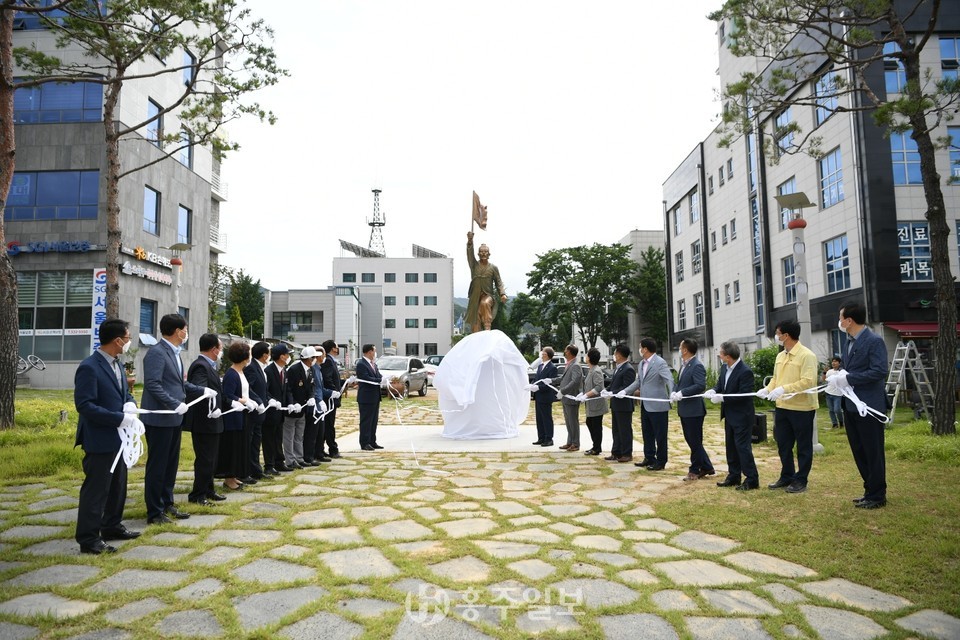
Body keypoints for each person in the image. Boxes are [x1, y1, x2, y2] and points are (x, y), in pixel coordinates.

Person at [73, 318, 141, 554]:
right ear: (118, 340)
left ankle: (112, 525)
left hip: (119, 438)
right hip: (100, 437)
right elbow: (85, 405)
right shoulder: (89, 367)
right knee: (97, 489)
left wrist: (130, 404)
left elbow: (124, 394)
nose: (130, 342)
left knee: (118, 485)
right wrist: (118, 418)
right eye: (128, 337)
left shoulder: (117, 364)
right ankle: (88, 538)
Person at [141, 313, 212, 524]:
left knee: (170, 465)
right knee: (158, 466)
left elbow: (179, 384)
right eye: (185, 330)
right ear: (177, 331)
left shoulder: (174, 352)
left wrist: (202, 390)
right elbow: (153, 385)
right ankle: (155, 511)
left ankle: (167, 503)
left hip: (174, 419)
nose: (187, 333)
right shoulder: (157, 352)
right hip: (160, 418)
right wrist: (174, 404)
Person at [834, 300, 889, 509]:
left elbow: (879, 371)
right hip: (850, 405)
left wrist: (849, 378)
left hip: (869, 406)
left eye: (840, 318)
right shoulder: (848, 341)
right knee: (859, 450)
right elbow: (850, 369)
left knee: (873, 451)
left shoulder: (873, 341)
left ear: (849, 320)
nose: (839, 321)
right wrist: (838, 376)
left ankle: (878, 494)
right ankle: (869, 489)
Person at [760, 319, 819, 494]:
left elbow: (808, 382)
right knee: (783, 444)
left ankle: (801, 480)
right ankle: (786, 475)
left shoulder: (807, 355)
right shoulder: (780, 356)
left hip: (802, 408)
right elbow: (775, 378)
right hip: (782, 407)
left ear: (786, 335)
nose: (776, 336)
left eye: (777, 333)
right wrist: (768, 389)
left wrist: (784, 389)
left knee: (803, 446)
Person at [707, 340, 759, 491]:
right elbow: (720, 385)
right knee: (731, 447)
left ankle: (752, 479)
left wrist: (723, 398)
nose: (719, 355)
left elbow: (744, 395)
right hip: (729, 415)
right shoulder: (724, 368)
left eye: (721, 353)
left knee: (742, 447)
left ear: (728, 356)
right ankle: (734, 475)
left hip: (742, 416)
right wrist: (714, 390)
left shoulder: (745, 371)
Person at [184, 334, 226, 506]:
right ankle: (198, 494)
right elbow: (198, 389)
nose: (221, 351)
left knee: (212, 458)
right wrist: (208, 396)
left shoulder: (210, 365)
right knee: (205, 459)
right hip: (204, 420)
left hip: (213, 419)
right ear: (214, 349)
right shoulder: (201, 366)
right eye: (220, 348)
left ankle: (209, 489)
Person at [624, 338, 673, 471]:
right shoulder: (641, 364)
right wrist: (625, 391)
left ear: (645, 349)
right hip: (645, 404)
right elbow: (639, 381)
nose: (639, 350)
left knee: (660, 435)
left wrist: (672, 393)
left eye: (640, 347)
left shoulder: (660, 362)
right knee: (647, 433)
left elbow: (669, 379)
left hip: (658, 405)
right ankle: (649, 457)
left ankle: (661, 460)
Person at [670, 338, 715, 481]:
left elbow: (700, 385)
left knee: (695, 441)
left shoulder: (696, 365)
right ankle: (707, 466)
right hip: (684, 409)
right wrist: (674, 391)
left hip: (694, 410)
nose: (679, 350)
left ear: (685, 350)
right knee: (691, 440)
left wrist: (683, 393)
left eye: (680, 347)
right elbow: (680, 383)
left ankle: (694, 470)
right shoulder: (684, 365)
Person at [219, 341, 258, 490]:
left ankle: (235, 476)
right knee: (233, 447)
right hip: (233, 417)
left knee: (240, 446)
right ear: (244, 357)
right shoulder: (231, 374)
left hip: (243, 415)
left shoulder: (241, 372)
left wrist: (250, 401)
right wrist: (244, 401)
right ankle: (229, 479)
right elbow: (228, 395)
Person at [466, 231, 507, 332]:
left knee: (485, 303)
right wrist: (470, 241)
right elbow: (470, 254)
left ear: (489, 254)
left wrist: (502, 294)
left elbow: (498, 282)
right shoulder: (474, 265)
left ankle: (487, 327)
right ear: (478, 254)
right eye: (481, 252)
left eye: (485, 252)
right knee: (475, 320)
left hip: (488, 295)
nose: (483, 253)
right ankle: (476, 335)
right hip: (475, 296)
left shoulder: (493, 268)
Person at [284, 346, 317, 468]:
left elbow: (311, 386)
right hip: (292, 408)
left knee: (299, 435)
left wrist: (311, 397)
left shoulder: (310, 369)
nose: (315, 360)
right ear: (309, 358)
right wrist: (292, 403)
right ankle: (290, 460)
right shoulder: (294, 369)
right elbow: (288, 389)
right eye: (313, 357)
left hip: (303, 408)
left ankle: (299, 457)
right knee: (289, 436)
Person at [603, 344, 637, 463]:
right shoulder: (618, 368)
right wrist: (607, 390)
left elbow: (626, 387)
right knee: (616, 430)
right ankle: (616, 452)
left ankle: (626, 453)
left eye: (615, 353)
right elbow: (613, 384)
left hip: (624, 405)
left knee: (624, 430)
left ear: (620, 355)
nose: (614, 356)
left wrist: (612, 392)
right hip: (616, 404)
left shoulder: (628, 369)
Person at [243, 341, 272, 479]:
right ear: (264, 355)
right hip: (253, 412)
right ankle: (249, 470)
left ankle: (256, 470)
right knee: (250, 442)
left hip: (261, 412)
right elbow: (248, 388)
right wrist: (258, 401)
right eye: (269, 353)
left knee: (256, 442)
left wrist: (269, 399)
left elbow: (263, 389)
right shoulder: (251, 368)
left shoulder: (260, 367)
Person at [262, 344, 290, 474]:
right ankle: (269, 465)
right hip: (271, 410)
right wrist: (271, 400)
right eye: (287, 354)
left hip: (281, 410)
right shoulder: (268, 371)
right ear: (281, 356)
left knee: (278, 437)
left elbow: (287, 390)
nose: (288, 357)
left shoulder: (284, 370)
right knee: (269, 439)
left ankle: (279, 462)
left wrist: (291, 403)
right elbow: (265, 391)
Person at [355, 343, 386, 451]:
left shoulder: (373, 364)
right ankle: (365, 442)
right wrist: (379, 380)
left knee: (373, 421)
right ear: (369, 352)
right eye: (374, 351)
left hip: (375, 397)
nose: (375, 353)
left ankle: (372, 441)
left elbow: (378, 375)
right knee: (366, 421)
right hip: (366, 397)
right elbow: (366, 378)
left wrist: (384, 379)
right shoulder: (361, 364)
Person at [580, 347, 609, 456]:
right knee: (590, 423)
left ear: (590, 358)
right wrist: (583, 394)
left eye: (587, 355)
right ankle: (595, 446)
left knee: (596, 425)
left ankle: (597, 448)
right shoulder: (591, 370)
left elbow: (599, 387)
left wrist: (586, 395)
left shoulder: (596, 371)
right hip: (591, 403)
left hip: (597, 404)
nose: (586, 357)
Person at [555, 345, 584, 451]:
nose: (564, 352)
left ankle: (575, 443)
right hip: (566, 398)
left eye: (566, 350)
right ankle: (570, 441)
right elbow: (563, 379)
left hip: (571, 397)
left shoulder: (575, 365)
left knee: (573, 421)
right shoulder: (569, 364)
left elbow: (575, 381)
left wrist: (563, 391)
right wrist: (551, 380)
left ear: (570, 352)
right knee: (568, 421)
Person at [305, 346, 332, 464]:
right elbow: (314, 388)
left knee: (320, 431)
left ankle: (319, 453)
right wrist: (319, 400)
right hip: (314, 405)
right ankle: (310, 456)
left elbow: (320, 388)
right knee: (312, 433)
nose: (324, 357)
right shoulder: (313, 369)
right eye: (323, 354)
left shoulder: (318, 369)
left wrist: (331, 393)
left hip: (320, 405)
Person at [319, 339, 344, 458]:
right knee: (329, 425)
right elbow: (327, 379)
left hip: (333, 396)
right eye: (337, 347)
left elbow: (334, 378)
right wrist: (334, 391)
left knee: (328, 424)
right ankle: (332, 448)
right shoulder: (328, 361)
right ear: (333, 348)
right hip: (329, 398)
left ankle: (321, 448)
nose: (338, 349)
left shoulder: (331, 360)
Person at [530, 347, 558, 447]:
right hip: (538, 396)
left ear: (547, 355)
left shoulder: (552, 367)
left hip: (546, 396)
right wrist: (532, 385)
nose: (542, 355)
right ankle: (541, 437)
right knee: (539, 418)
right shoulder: (540, 366)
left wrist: (539, 387)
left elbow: (550, 384)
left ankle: (549, 438)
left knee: (546, 418)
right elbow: (537, 379)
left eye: (543, 353)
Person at [823, 357, 845, 429]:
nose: (833, 363)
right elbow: (825, 380)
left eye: (835, 361)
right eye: (833, 361)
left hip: (838, 394)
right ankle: (834, 424)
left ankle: (841, 422)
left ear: (839, 363)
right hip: (828, 393)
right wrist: (824, 372)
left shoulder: (841, 372)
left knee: (837, 409)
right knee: (831, 410)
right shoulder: (829, 371)